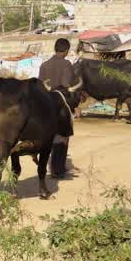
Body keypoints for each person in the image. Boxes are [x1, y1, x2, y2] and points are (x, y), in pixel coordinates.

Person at [38, 38, 77, 178]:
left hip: (47, 105)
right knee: (63, 137)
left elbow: (40, 87)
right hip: (62, 105)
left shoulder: (44, 65)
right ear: (66, 51)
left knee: (51, 137)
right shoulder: (67, 64)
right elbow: (66, 85)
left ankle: (56, 167)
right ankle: (57, 169)